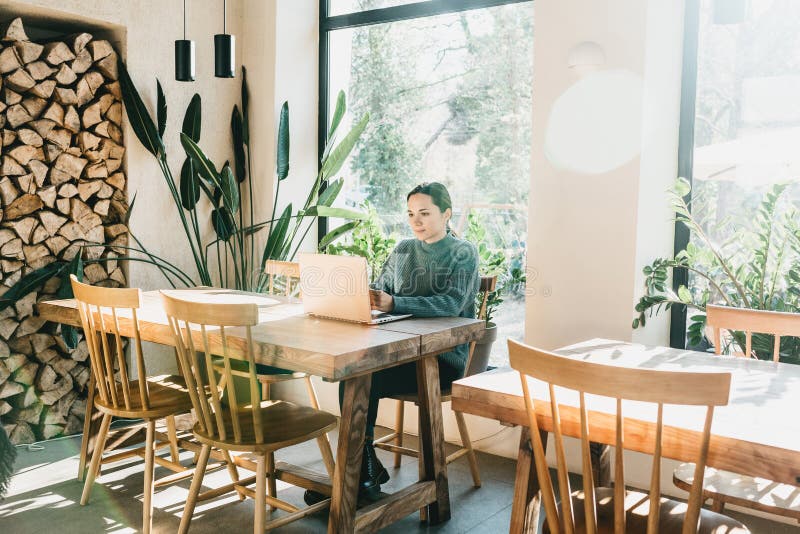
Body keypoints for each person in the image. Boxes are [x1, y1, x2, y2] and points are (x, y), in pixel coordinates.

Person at [306, 182, 479, 504]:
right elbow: (381, 289)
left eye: (425, 213)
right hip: (403, 351)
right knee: (356, 371)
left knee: (361, 374)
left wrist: (395, 303)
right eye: (411, 214)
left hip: (442, 358)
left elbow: (452, 304)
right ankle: (360, 469)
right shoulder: (403, 249)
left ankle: (353, 473)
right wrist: (358, 297)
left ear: (446, 214)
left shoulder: (463, 252)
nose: (416, 221)